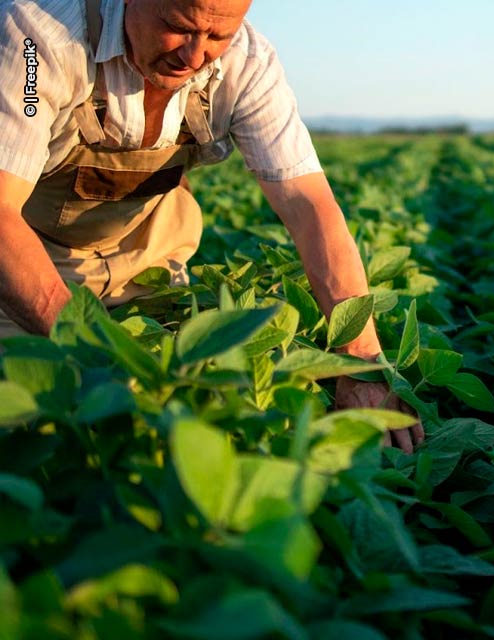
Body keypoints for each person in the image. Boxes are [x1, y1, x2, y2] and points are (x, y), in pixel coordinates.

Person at [0, 0, 425, 452]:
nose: (195, 56)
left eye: (218, 36)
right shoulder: (36, 37)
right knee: (38, 430)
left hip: (150, 262)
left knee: (192, 420)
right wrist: (96, 355)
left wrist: (359, 361)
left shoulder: (249, 62)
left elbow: (307, 203)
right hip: (28, 264)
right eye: (177, 27)